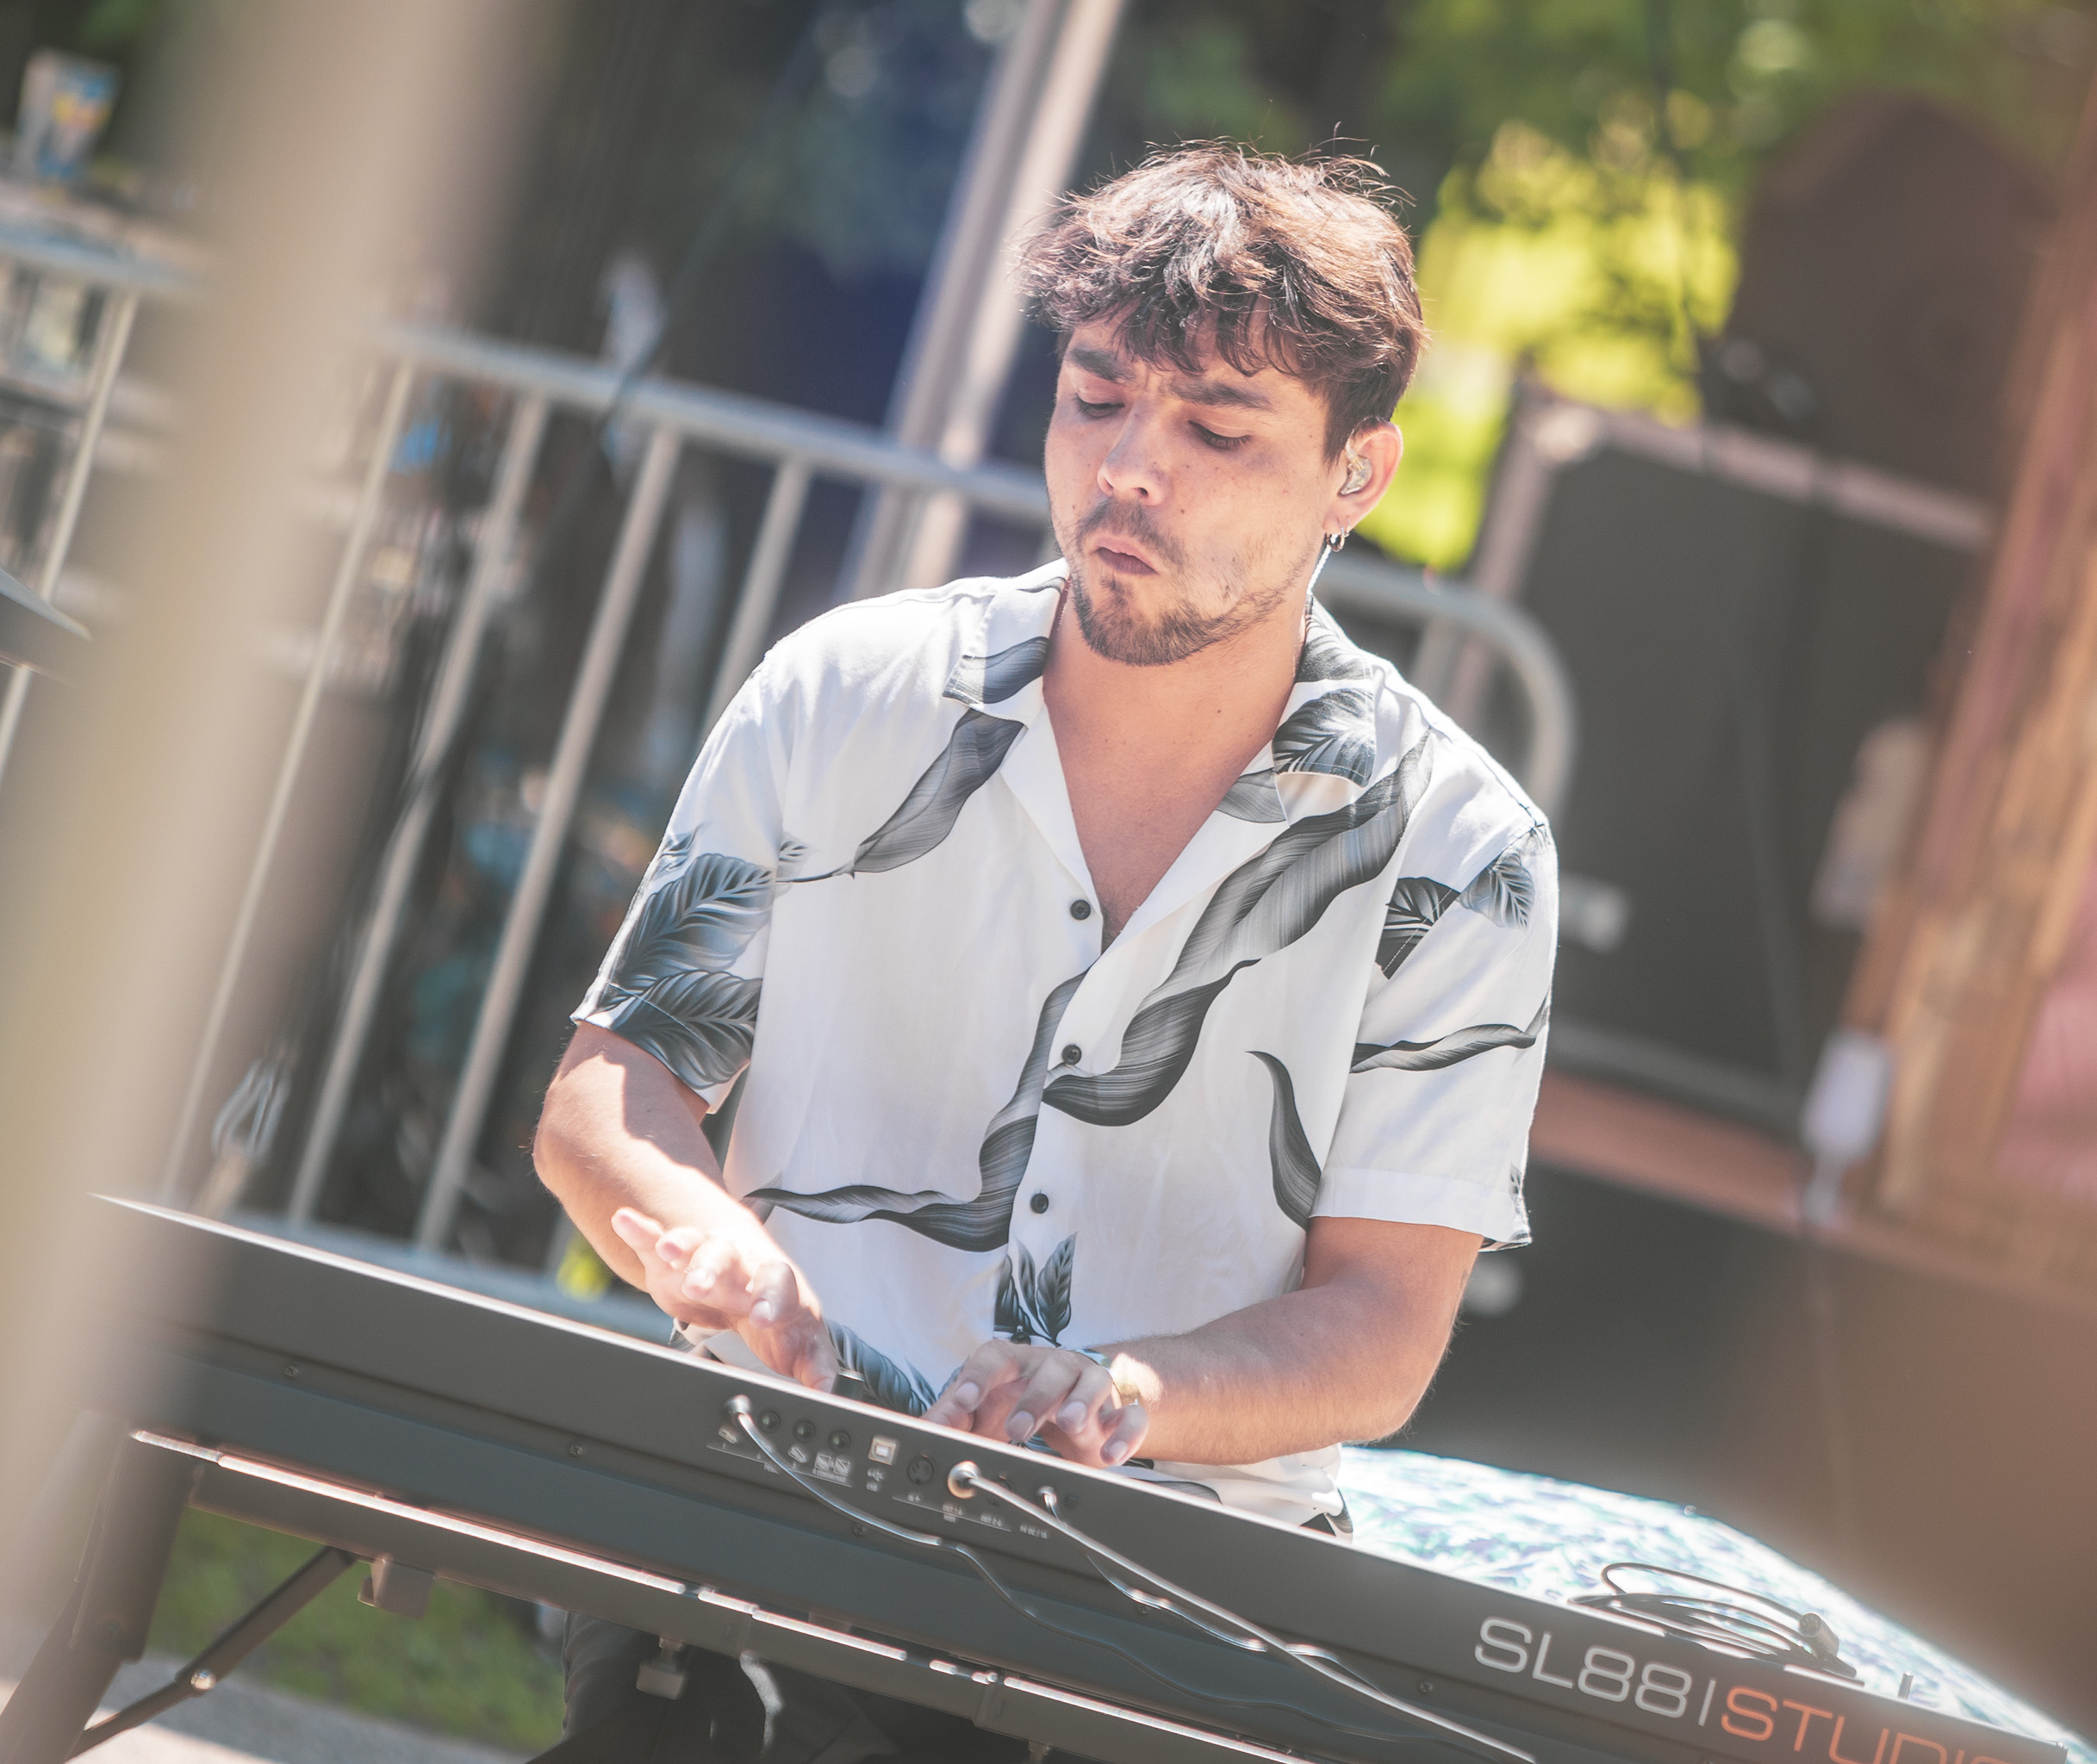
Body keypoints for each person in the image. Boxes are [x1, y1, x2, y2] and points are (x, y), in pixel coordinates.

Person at [530, 141, 1558, 1763]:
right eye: (1095, 398)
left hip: (1170, 1606)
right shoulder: (841, 689)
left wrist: (1126, 1394)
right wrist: (707, 1242)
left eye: (1217, 429)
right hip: (775, 1503)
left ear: (1356, 477)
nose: (1129, 465)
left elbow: (1381, 1324)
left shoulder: (1464, 849)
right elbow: (610, 1092)